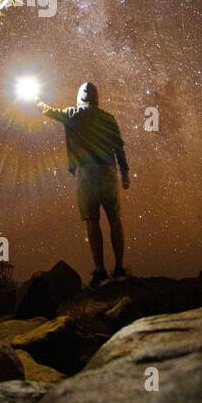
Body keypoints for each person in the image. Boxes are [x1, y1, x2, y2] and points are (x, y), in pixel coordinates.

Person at [36, 81, 130, 286]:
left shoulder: (72, 114)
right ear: (97, 97)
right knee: (115, 219)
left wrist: (35, 99)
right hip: (108, 172)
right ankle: (120, 268)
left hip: (86, 174)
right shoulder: (109, 118)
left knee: (92, 220)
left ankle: (100, 271)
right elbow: (119, 148)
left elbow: (48, 111)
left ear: (80, 97)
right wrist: (125, 173)